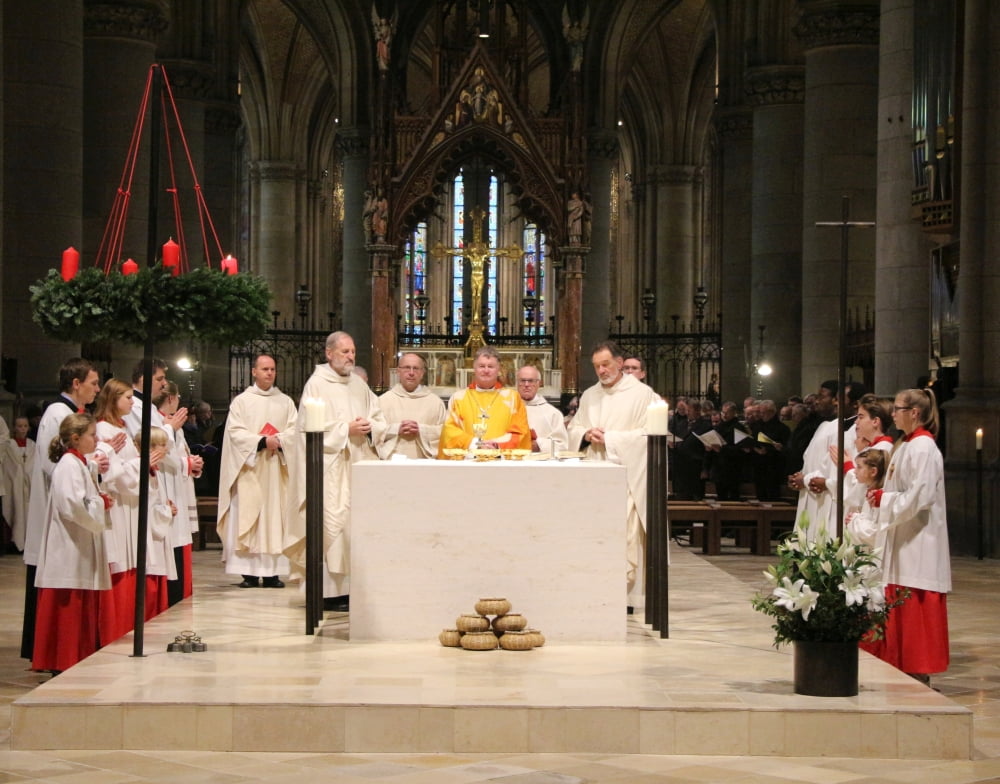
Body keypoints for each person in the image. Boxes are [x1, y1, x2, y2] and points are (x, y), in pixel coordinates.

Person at [285, 331, 386, 610]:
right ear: (329, 353)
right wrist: (345, 430)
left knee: (354, 529)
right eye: (345, 352)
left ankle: (350, 590)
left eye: (353, 351)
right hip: (329, 470)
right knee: (332, 527)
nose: (351, 356)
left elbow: (379, 419)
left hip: (357, 468)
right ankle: (327, 591)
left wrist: (370, 427)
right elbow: (308, 431)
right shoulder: (316, 385)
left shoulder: (358, 385)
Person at [860, 388, 951, 685]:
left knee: (912, 602)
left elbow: (920, 496)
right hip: (904, 537)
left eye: (898, 409)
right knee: (897, 597)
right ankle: (900, 667)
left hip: (918, 540)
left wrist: (885, 501)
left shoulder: (923, 447)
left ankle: (916, 668)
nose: (894, 414)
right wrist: (885, 496)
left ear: (915, 413)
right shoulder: (907, 444)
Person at [567, 340, 660, 611]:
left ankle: (625, 596)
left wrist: (612, 439)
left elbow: (650, 436)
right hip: (594, 476)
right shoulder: (590, 395)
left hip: (626, 477)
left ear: (620, 363)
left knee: (626, 535)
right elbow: (575, 428)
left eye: (605, 364)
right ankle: (593, 589)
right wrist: (585, 434)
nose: (601, 370)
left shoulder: (643, 395)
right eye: (596, 366)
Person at [22, 358, 105, 660]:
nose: (97, 389)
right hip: (56, 512)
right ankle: (48, 650)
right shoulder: (58, 412)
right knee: (58, 587)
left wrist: (93, 466)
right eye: (93, 383)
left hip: (69, 508)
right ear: (76, 383)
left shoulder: (71, 414)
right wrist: (93, 466)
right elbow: (50, 461)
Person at [31, 413, 113, 674]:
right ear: (76, 438)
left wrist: (98, 496)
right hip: (68, 548)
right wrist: (101, 503)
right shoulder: (68, 464)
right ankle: (62, 660)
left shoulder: (77, 462)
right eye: (92, 435)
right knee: (68, 608)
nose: (96, 439)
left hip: (78, 545)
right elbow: (71, 506)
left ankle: (75, 658)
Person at [217, 354, 297, 589]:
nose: (269, 373)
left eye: (272, 369)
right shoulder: (242, 401)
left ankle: (273, 573)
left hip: (275, 470)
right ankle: (249, 573)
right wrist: (262, 442)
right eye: (264, 369)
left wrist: (280, 440)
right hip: (250, 469)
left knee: (275, 518)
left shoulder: (285, 402)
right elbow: (235, 433)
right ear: (254, 372)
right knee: (250, 516)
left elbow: (295, 431)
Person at [92, 379, 141, 642]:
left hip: (128, 502)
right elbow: (110, 473)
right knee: (118, 561)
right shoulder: (103, 429)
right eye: (128, 398)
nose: (133, 403)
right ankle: (114, 626)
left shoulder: (120, 427)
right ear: (113, 400)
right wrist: (140, 465)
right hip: (117, 504)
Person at [156, 382, 202, 604]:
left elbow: (179, 452)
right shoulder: (162, 423)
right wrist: (186, 463)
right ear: (172, 399)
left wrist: (192, 462)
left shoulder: (174, 425)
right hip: (168, 485)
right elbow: (162, 453)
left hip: (180, 483)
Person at [438, 346, 530, 455]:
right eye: (481, 366)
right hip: (468, 462)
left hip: (501, 462)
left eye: (490, 366)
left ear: (499, 369)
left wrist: (496, 445)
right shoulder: (458, 398)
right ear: (474, 368)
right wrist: (474, 443)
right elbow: (449, 431)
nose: (486, 370)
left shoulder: (513, 398)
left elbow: (520, 433)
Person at [787, 380, 840, 541]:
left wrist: (807, 478)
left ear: (836, 399)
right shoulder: (817, 424)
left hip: (821, 491)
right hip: (808, 488)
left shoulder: (838, 428)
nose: (817, 401)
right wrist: (800, 475)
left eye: (821, 396)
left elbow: (829, 466)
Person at [377, 353, 446, 460]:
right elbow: (374, 430)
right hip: (391, 463)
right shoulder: (383, 401)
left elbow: (445, 432)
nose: (411, 373)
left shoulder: (436, 402)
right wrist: (396, 429)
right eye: (407, 368)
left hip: (425, 463)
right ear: (398, 371)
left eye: (416, 368)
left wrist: (421, 430)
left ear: (422, 373)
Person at [515, 365, 569, 454]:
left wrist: (539, 444)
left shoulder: (553, 413)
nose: (526, 384)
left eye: (531, 381)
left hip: (540, 465)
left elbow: (562, 446)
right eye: (523, 380)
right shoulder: (508, 409)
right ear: (517, 383)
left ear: (538, 384)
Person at [2, 416, 35, 553]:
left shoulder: (32, 445)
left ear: (28, 428)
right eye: (19, 426)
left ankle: (28, 542)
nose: (22, 429)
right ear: (14, 428)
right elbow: (7, 467)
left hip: (29, 487)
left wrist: (27, 473)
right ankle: (14, 544)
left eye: (25, 426)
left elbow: (33, 464)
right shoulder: (8, 446)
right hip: (14, 485)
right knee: (16, 511)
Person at [750, 399, 790, 501]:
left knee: (772, 495)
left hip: (773, 467)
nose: (761, 415)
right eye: (760, 412)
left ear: (772, 412)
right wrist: (755, 449)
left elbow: (787, 449)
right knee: (760, 494)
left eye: (763, 413)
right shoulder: (756, 425)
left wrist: (775, 449)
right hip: (758, 465)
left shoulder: (782, 428)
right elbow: (752, 441)